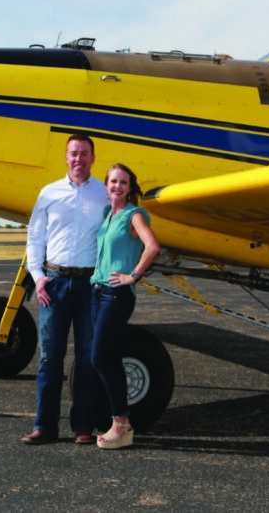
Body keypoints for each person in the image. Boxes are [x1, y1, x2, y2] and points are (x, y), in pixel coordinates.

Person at [21, 134, 109, 445]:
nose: (79, 159)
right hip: (54, 284)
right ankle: (44, 427)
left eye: (84, 153)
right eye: (74, 153)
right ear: (65, 157)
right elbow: (35, 238)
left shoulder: (105, 194)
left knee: (87, 358)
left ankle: (82, 427)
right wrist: (38, 275)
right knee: (50, 358)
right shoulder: (49, 193)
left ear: (93, 159)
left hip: (89, 285)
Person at [89, 163, 159, 450]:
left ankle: (121, 422)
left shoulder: (134, 215)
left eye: (123, 182)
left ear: (130, 188)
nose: (117, 186)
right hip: (97, 291)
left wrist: (134, 275)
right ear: (107, 186)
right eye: (113, 181)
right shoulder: (108, 215)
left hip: (117, 294)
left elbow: (152, 246)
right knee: (110, 357)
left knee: (100, 358)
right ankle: (123, 425)